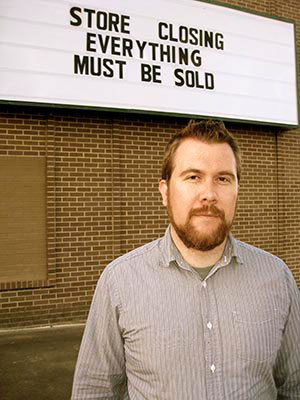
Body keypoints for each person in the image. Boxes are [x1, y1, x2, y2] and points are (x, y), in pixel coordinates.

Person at [71, 120, 300, 399]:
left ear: (237, 189)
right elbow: (94, 391)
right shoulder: (119, 281)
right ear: (165, 192)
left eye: (223, 178)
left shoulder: (276, 277)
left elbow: (294, 386)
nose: (209, 194)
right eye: (193, 177)